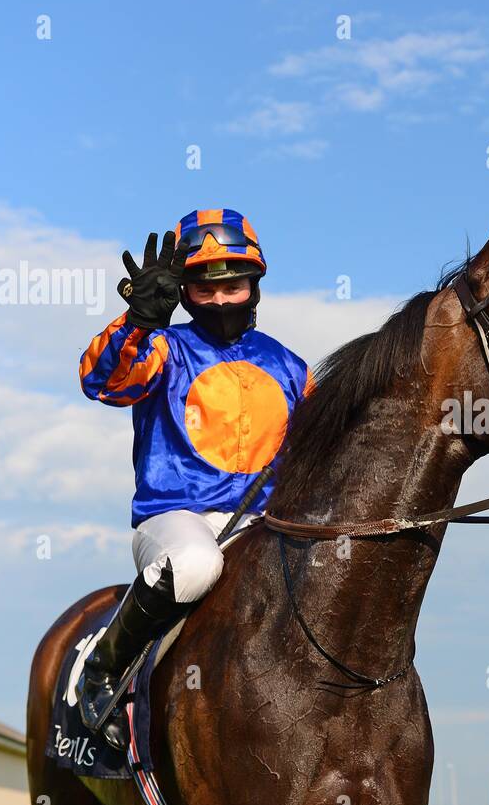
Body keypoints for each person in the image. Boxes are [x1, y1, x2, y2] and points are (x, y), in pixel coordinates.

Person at [75, 209, 314, 748]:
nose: (222, 300)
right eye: (205, 289)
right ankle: (103, 670)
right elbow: (101, 381)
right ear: (183, 293)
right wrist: (138, 321)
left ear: (255, 285)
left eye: (233, 286)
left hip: (264, 522)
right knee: (196, 563)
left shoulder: (293, 368)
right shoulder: (163, 348)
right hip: (175, 518)